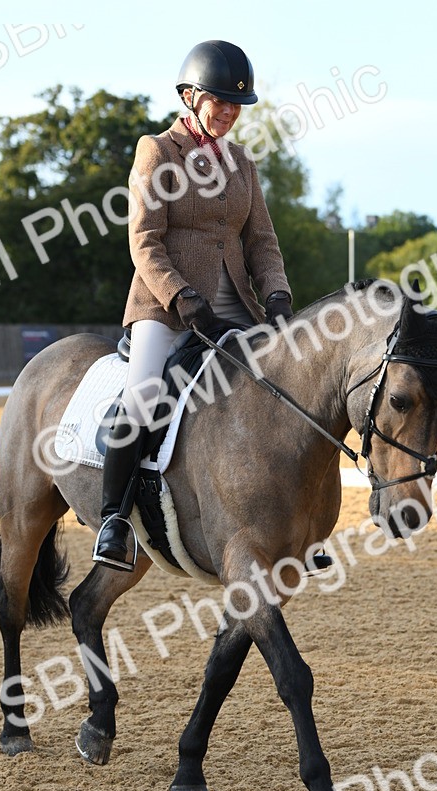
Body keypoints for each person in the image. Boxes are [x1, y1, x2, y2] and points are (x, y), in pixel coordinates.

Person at [93, 39, 294, 570]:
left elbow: (262, 242)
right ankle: (113, 520)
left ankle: (291, 523)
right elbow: (145, 241)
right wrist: (181, 295)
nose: (229, 113)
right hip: (164, 307)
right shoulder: (157, 151)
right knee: (143, 394)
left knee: (286, 390)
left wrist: (276, 295)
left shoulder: (243, 164)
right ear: (190, 97)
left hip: (236, 306)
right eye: (219, 102)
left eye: (236, 105)